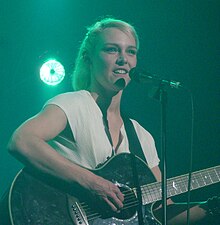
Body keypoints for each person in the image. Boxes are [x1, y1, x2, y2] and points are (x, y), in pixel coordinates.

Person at [6, 17, 219, 224]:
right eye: (111, 49)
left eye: (131, 52)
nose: (123, 58)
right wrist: (91, 183)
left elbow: (164, 212)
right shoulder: (73, 105)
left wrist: (214, 206)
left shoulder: (141, 136)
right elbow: (22, 141)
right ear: (88, 58)